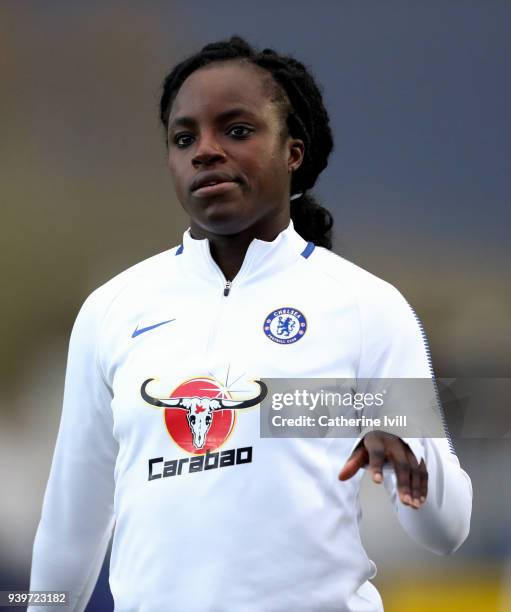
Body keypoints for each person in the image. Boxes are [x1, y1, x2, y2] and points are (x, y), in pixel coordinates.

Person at [29, 36, 472, 612]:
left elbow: (447, 530)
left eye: (236, 131)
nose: (205, 151)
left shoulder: (366, 307)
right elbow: (69, 528)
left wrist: (407, 447)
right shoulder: (112, 310)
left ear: (293, 152)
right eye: (184, 138)